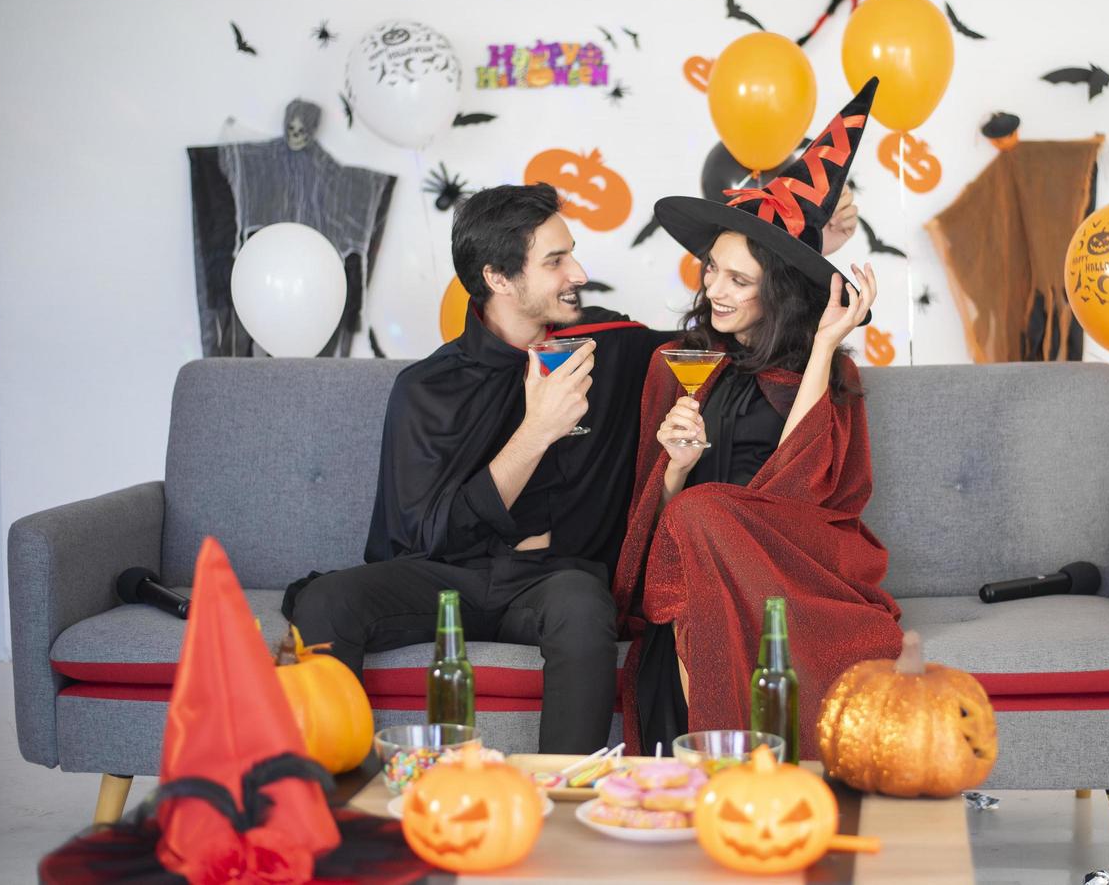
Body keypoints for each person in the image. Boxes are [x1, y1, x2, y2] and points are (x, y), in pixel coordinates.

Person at [285, 179, 861, 753]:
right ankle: (329, 790)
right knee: (327, 600)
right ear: (499, 278)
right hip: (444, 578)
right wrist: (535, 432)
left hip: (553, 581)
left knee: (586, 610)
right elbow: (419, 537)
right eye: (557, 261)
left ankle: (567, 798)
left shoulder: (609, 346)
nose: (579, 274)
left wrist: (803, 263)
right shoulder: (425, 390)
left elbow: (738, 345)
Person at [612, 79, 904, 758]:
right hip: (693, 589)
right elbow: (654, 535)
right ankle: (718, 781)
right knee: (694, 516)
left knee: (704, 511)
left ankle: (747, 776)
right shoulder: (676, 365)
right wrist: (674, 471)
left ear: (779, 291)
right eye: (711, 269)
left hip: (791, 572)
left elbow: (800, 499)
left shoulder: (829, 375)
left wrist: (826, 346)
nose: (714, 289)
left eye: (738, 280)